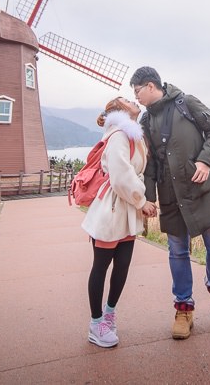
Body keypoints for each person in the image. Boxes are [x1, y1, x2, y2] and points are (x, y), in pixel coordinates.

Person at [130, 66, 210, 340]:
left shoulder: (186, 103)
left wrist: (205, 160)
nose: (136, 97)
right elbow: (150, 163)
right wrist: (147, 199)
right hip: (170, 194)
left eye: (137, 91)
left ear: (151, 86)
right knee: (177, 252)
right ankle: (183, 308)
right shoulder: (144, 122)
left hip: (202, 188)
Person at [81, 97, 158, 348]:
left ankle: (109, 314)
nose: (133, 99)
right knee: (101, 266)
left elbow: (134, 172)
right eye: (127, 99)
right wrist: (141, 201)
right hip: (112, 208)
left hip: (126, 208)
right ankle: (96, 323)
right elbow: (120, 175)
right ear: (120, 110)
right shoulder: (118, 136)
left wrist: (140, 201)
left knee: (123, 265)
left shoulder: (133, 136)